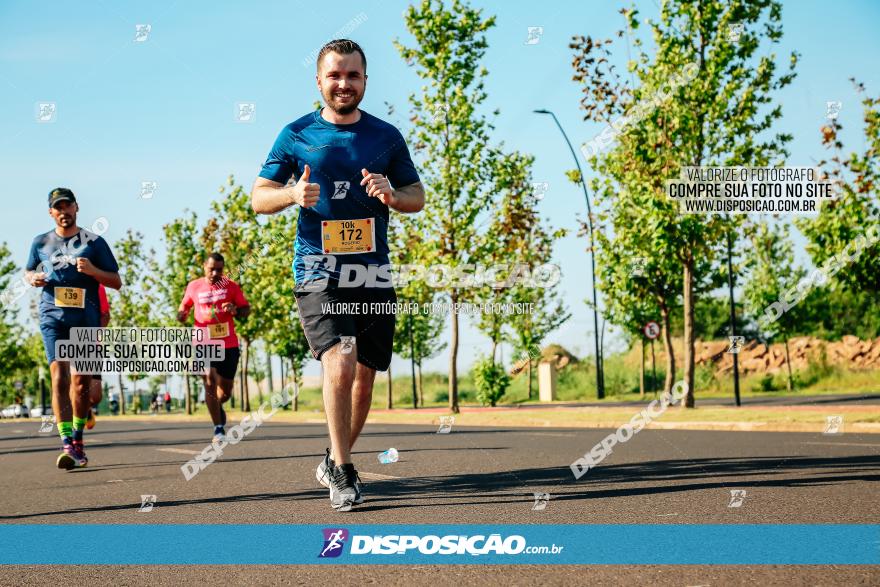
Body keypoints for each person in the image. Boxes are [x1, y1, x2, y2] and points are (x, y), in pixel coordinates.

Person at [251, 39, 425, 511]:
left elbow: (417, 196)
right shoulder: (296, 134)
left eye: (352, 75)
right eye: (335, 75)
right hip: (317, 268)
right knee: (341, 357)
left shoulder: (386, 137)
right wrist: (290, 194)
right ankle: (345, 472)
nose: (343, 83)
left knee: (365, 377)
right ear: (319, 81)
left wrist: (392, 193)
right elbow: (257, 197)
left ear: (365, 80)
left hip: (372, 272)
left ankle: (333, 456)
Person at [26, 188, 121, 469]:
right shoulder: (40, 242)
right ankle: (66, 442)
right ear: (50, 212)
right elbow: (28, 270)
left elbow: (116, 281)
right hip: (52, 317)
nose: (64, 211)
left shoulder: (94, 242)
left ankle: (78, 440)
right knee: (59, 378)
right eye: (58, 207)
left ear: (77, 208)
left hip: (85, 320)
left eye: (68, 206)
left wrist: (93, 270)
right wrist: (32, 278)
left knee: (81, 383)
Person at [177, 253, 250, 442]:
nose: (215, 272)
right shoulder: (194, 286)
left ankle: (218, 407)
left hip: (229, 344)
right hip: (203, 341)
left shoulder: (231, 286)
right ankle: (218, 429)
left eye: (219, 269)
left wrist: (235, 310)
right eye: (212, 269)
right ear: (204, 266)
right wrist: (182, 315)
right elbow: (184, 307)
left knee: (224, 393)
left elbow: (245, 309)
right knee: (209, 378)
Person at [85, 284, 110, 428]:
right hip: (67, 342)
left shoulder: (98, 288)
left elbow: (106, 315)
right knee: (67, 385)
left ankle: (84, 407)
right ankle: (72, 434)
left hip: (92, 345)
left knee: (96, 396)